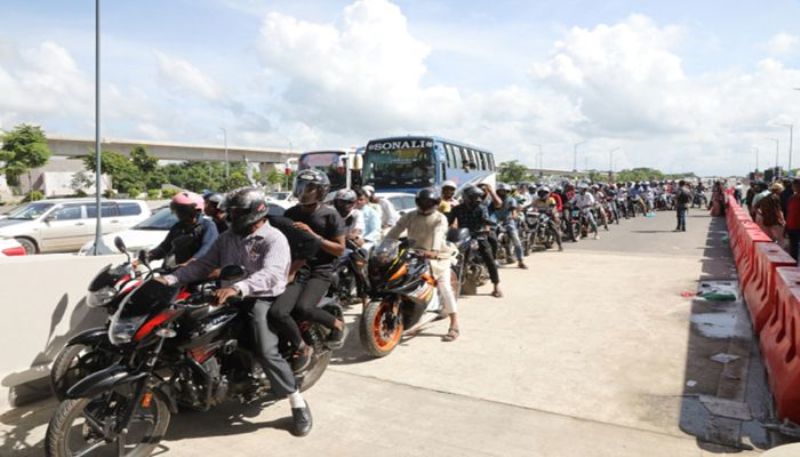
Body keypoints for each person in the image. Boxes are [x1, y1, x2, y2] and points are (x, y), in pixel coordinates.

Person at [158, 187, 313, 437]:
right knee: (188, 330)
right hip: (229, 295)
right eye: (231, 211)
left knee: (264, 348)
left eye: (238, 212)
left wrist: (239, 288)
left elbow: (272, 273)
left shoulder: (273, 238)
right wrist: (171, 279)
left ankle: (297, 402)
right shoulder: (228, 237)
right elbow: (204, 264)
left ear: (256, 212)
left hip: (261, 297)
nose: (232, 216)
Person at [269, 170, 347, 372]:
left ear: (321, 191)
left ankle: (336, 324)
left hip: (320, 270)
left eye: (310, 188)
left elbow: (340, 249)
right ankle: (298, 346)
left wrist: (313, 236)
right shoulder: (291, 213)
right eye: (302, 186)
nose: (304, 192)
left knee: (303, 308)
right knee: (278, 312)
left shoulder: (330, 215)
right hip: (296, 268)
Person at [385, 188, 460, 341]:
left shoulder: (440, 218)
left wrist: (433, 251)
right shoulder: (410, 215)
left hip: (437, 257)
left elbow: (439, 234)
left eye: (429, 202)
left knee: (444, 285)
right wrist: (384, 245)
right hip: (412, 254)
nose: (425, 205)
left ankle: (454, 323)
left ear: (436, 203)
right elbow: (395, 230)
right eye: (423, 202)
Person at [448, 184, 503, 298]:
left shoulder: (481, 208)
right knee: (451, 258)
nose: (477, 199)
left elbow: (485, 219)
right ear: (466, 197)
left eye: (479, 196)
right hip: (462, 237)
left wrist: (488, 222)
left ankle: (496, 286)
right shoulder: (457, 209)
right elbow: (448, 222)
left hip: (479, 236)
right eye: (474, 197)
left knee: (489, 259)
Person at [148, 191, 218, 264]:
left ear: (197, 211)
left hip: (202, 270)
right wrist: (149, 256)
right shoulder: (178, 227)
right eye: (178, 210)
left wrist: (190, 262)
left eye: (184, 210)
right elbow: (165, 247)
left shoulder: (208, 226)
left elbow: (207, 249)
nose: (180, 213)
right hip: (181, 271)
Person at [490, 182, 527, 269]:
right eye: (500, 191)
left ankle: (521, 261)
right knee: (490, 239)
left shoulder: (511, 200)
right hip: (495, 222)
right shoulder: (493, 200)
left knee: (516, 240)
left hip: (508, 221)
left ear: (508, 192)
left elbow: (513, 211)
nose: (502, 193)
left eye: (504, 191)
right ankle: (491, 260)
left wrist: (513, 216)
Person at [530, 186, 563, 250]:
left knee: (554, 229)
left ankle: (560, 245)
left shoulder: (551, 199)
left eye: (544, 193)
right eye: (541, 193)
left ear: (547, 193)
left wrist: (550, 210)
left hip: (550, 215)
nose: (542, 194)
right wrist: (525, 209)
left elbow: (553, 207)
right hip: (539, 216)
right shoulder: (537, 200)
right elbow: (531, 206)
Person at [785, 178, 800, 260]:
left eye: (796, 185)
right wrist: (786, 225)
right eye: (793, 186)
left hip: (798, 227)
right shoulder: (792, 198)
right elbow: (789, 212)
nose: (794, 187)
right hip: (791, 226)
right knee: (793, 248)